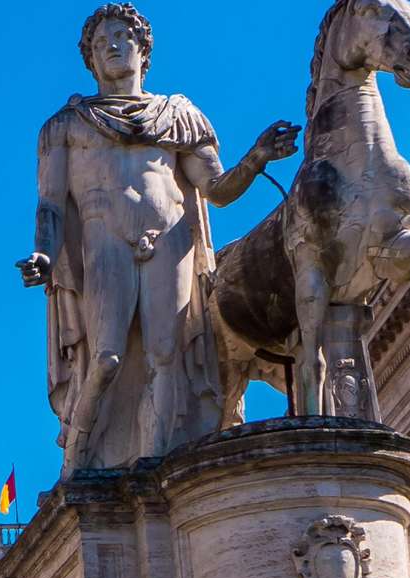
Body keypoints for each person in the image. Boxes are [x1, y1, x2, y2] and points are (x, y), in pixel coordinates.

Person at [17, 4, 297, 471]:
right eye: (102, 41)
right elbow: (49, 203)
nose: (112, 45)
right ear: (90, 58)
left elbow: (216, 190)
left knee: (167, 353)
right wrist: (44, 254)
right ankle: (79, 456)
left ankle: (156, 460)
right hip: (104, 240)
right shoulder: (65, 127)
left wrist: (255, 158)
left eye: (123, 37)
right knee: (105, 355)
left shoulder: (178, 116)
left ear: (143, 50)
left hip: (170, 238)